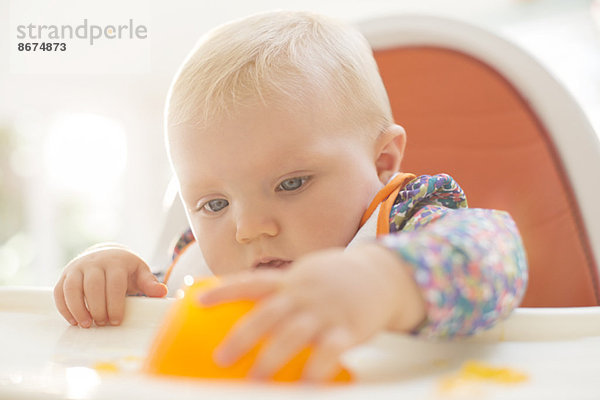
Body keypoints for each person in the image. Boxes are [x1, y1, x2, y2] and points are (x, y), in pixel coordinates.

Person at [53, 10, 528, 382]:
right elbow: (152, 321)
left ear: (383, 161)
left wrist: (386, 280)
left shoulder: (407, 218)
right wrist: (114, 280)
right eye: (215, 204)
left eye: (291, 183)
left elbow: (499, 256)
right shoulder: (198, 261)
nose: (249, 227)